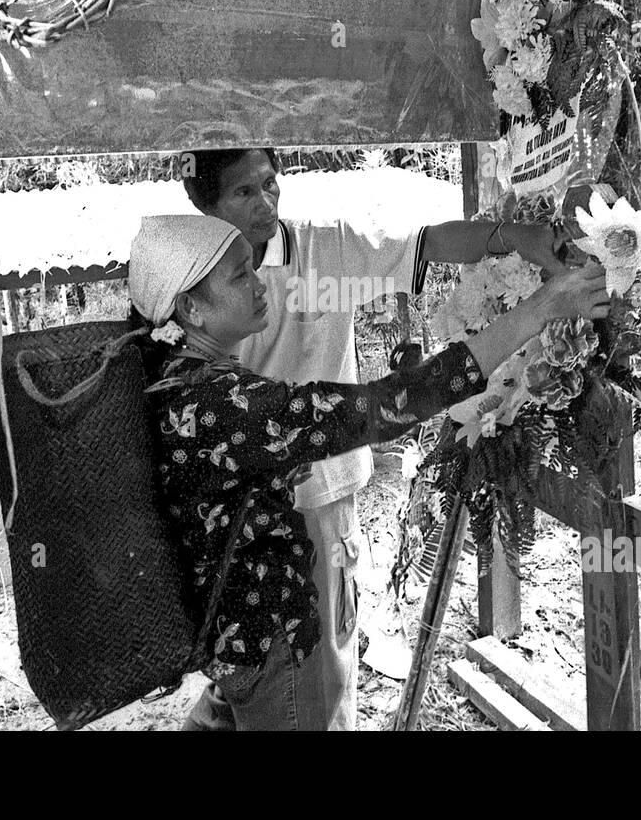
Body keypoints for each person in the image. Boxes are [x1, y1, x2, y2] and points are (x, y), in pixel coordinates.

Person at [129, 215, 609, 730]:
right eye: (240, 276)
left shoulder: (176, 376)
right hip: (272, 638)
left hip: (236, 633)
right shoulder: (221, 405)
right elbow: (386, 408)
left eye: (253, 267)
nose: (258, 284)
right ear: (191, 308)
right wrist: (541, 310)